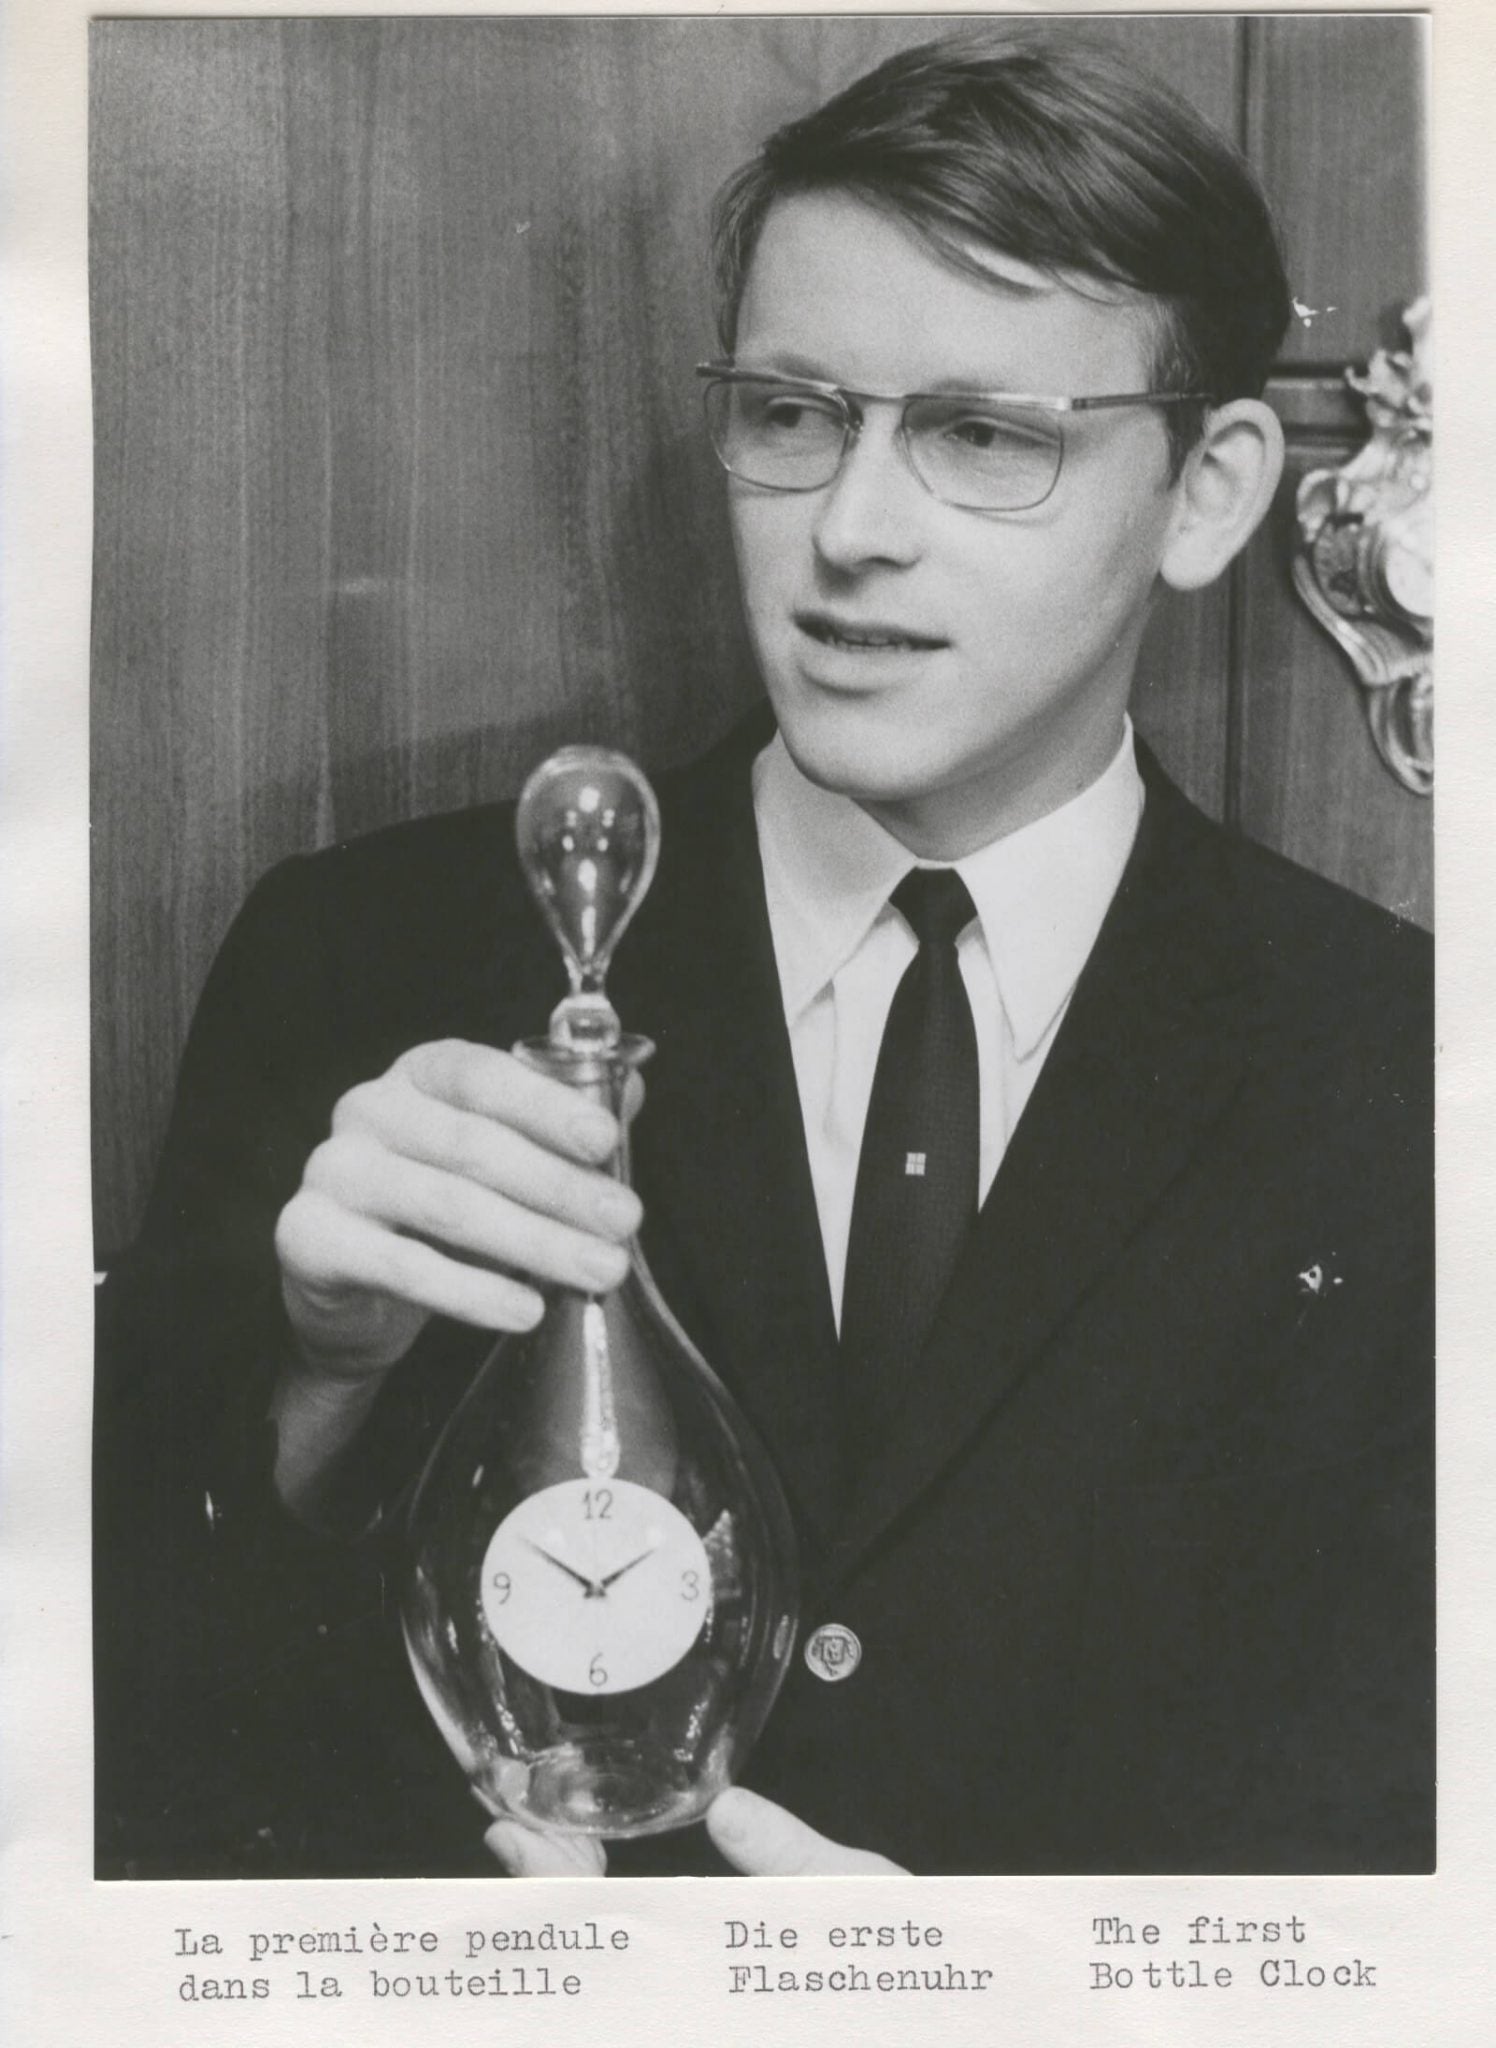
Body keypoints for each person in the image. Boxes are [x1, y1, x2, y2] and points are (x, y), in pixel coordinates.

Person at [95, 33, 1432, 1879]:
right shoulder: (368, 957)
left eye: (982, 438)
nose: (849, 535)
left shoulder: (1412, 1071)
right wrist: (318, 1379)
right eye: (793, 415)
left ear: (1206, 491)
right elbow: (111, 1758)